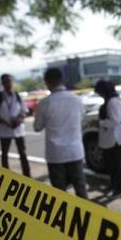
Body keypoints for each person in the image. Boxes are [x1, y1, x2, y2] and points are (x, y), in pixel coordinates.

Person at [34, 68, 87, 198]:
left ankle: (64, 217)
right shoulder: (76, 100)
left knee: (59, 193)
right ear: (62, 80)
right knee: (80, 189)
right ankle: (85, 216)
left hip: (55, 154)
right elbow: (82, 119)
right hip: (75, 151)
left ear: (47, 82)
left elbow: (37, 127)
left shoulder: (45, 103)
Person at [0, 74, 31, 176]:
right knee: (4, 153)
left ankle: (27, 175)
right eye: (6, 81)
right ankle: (6, 175)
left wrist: (19, 119)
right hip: (5, 129)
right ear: (2, 83)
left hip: (18, 129)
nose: (8, 83)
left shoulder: (17, 95)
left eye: (10, 81)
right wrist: (6, 122)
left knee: (23, 153)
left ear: (12, 82)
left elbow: (24, 111)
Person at [95, 79, 121, 196]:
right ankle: (115, 185)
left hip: (115, 137)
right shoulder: (114, 100)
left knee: (115, 164)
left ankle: (119, 188)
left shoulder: (112, 102)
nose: (99, 94)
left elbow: (114, 121)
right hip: (115, 137)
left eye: (100, 92)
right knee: (113, 163)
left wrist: (99, 123)